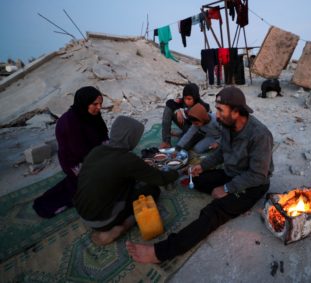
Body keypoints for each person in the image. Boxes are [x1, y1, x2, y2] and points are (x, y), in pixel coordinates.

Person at [126, 86, 274, 263]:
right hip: (232, 172)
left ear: (235, 112)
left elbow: (258, 175)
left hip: (253, 183)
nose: (216, 115)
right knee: (196, 180)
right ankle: (223, 192)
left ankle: (161, 252)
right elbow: (221, 153)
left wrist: (227, 188)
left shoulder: (260, 135)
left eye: (220, 110)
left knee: (213, 212)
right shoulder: (226, 125)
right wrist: (202, 166)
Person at [74, 116, 179, 246]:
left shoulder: (97, 150)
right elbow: (161, 179)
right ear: (130, 137)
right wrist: (177, 171)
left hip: (83, 213)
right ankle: (122, 226)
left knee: (128, 181)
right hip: (103, 220)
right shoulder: (127, 159)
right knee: (152, 190)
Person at [33, 86, 108, 218]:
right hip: (75, 162)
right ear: (84, 103)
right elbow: (80, 152)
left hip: (93, 154)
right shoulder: (70, 123)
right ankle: (51, 203)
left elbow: (103, 135)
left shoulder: (92, 115)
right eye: (94, 104)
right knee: (95, 186)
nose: (99, 108)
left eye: (100, 104)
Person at [160, 83, 210, 149]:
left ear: (195, 98)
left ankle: (182, 135)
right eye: (185, 98)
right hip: (188, 126)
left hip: (198, 131)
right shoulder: (184, 101)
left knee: (184, 146)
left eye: (189, 99)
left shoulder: (202, 106)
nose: (186, 101)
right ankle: (166, 142)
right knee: (169, 109)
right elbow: (169, 102)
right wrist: (177, 110)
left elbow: (207, 125)